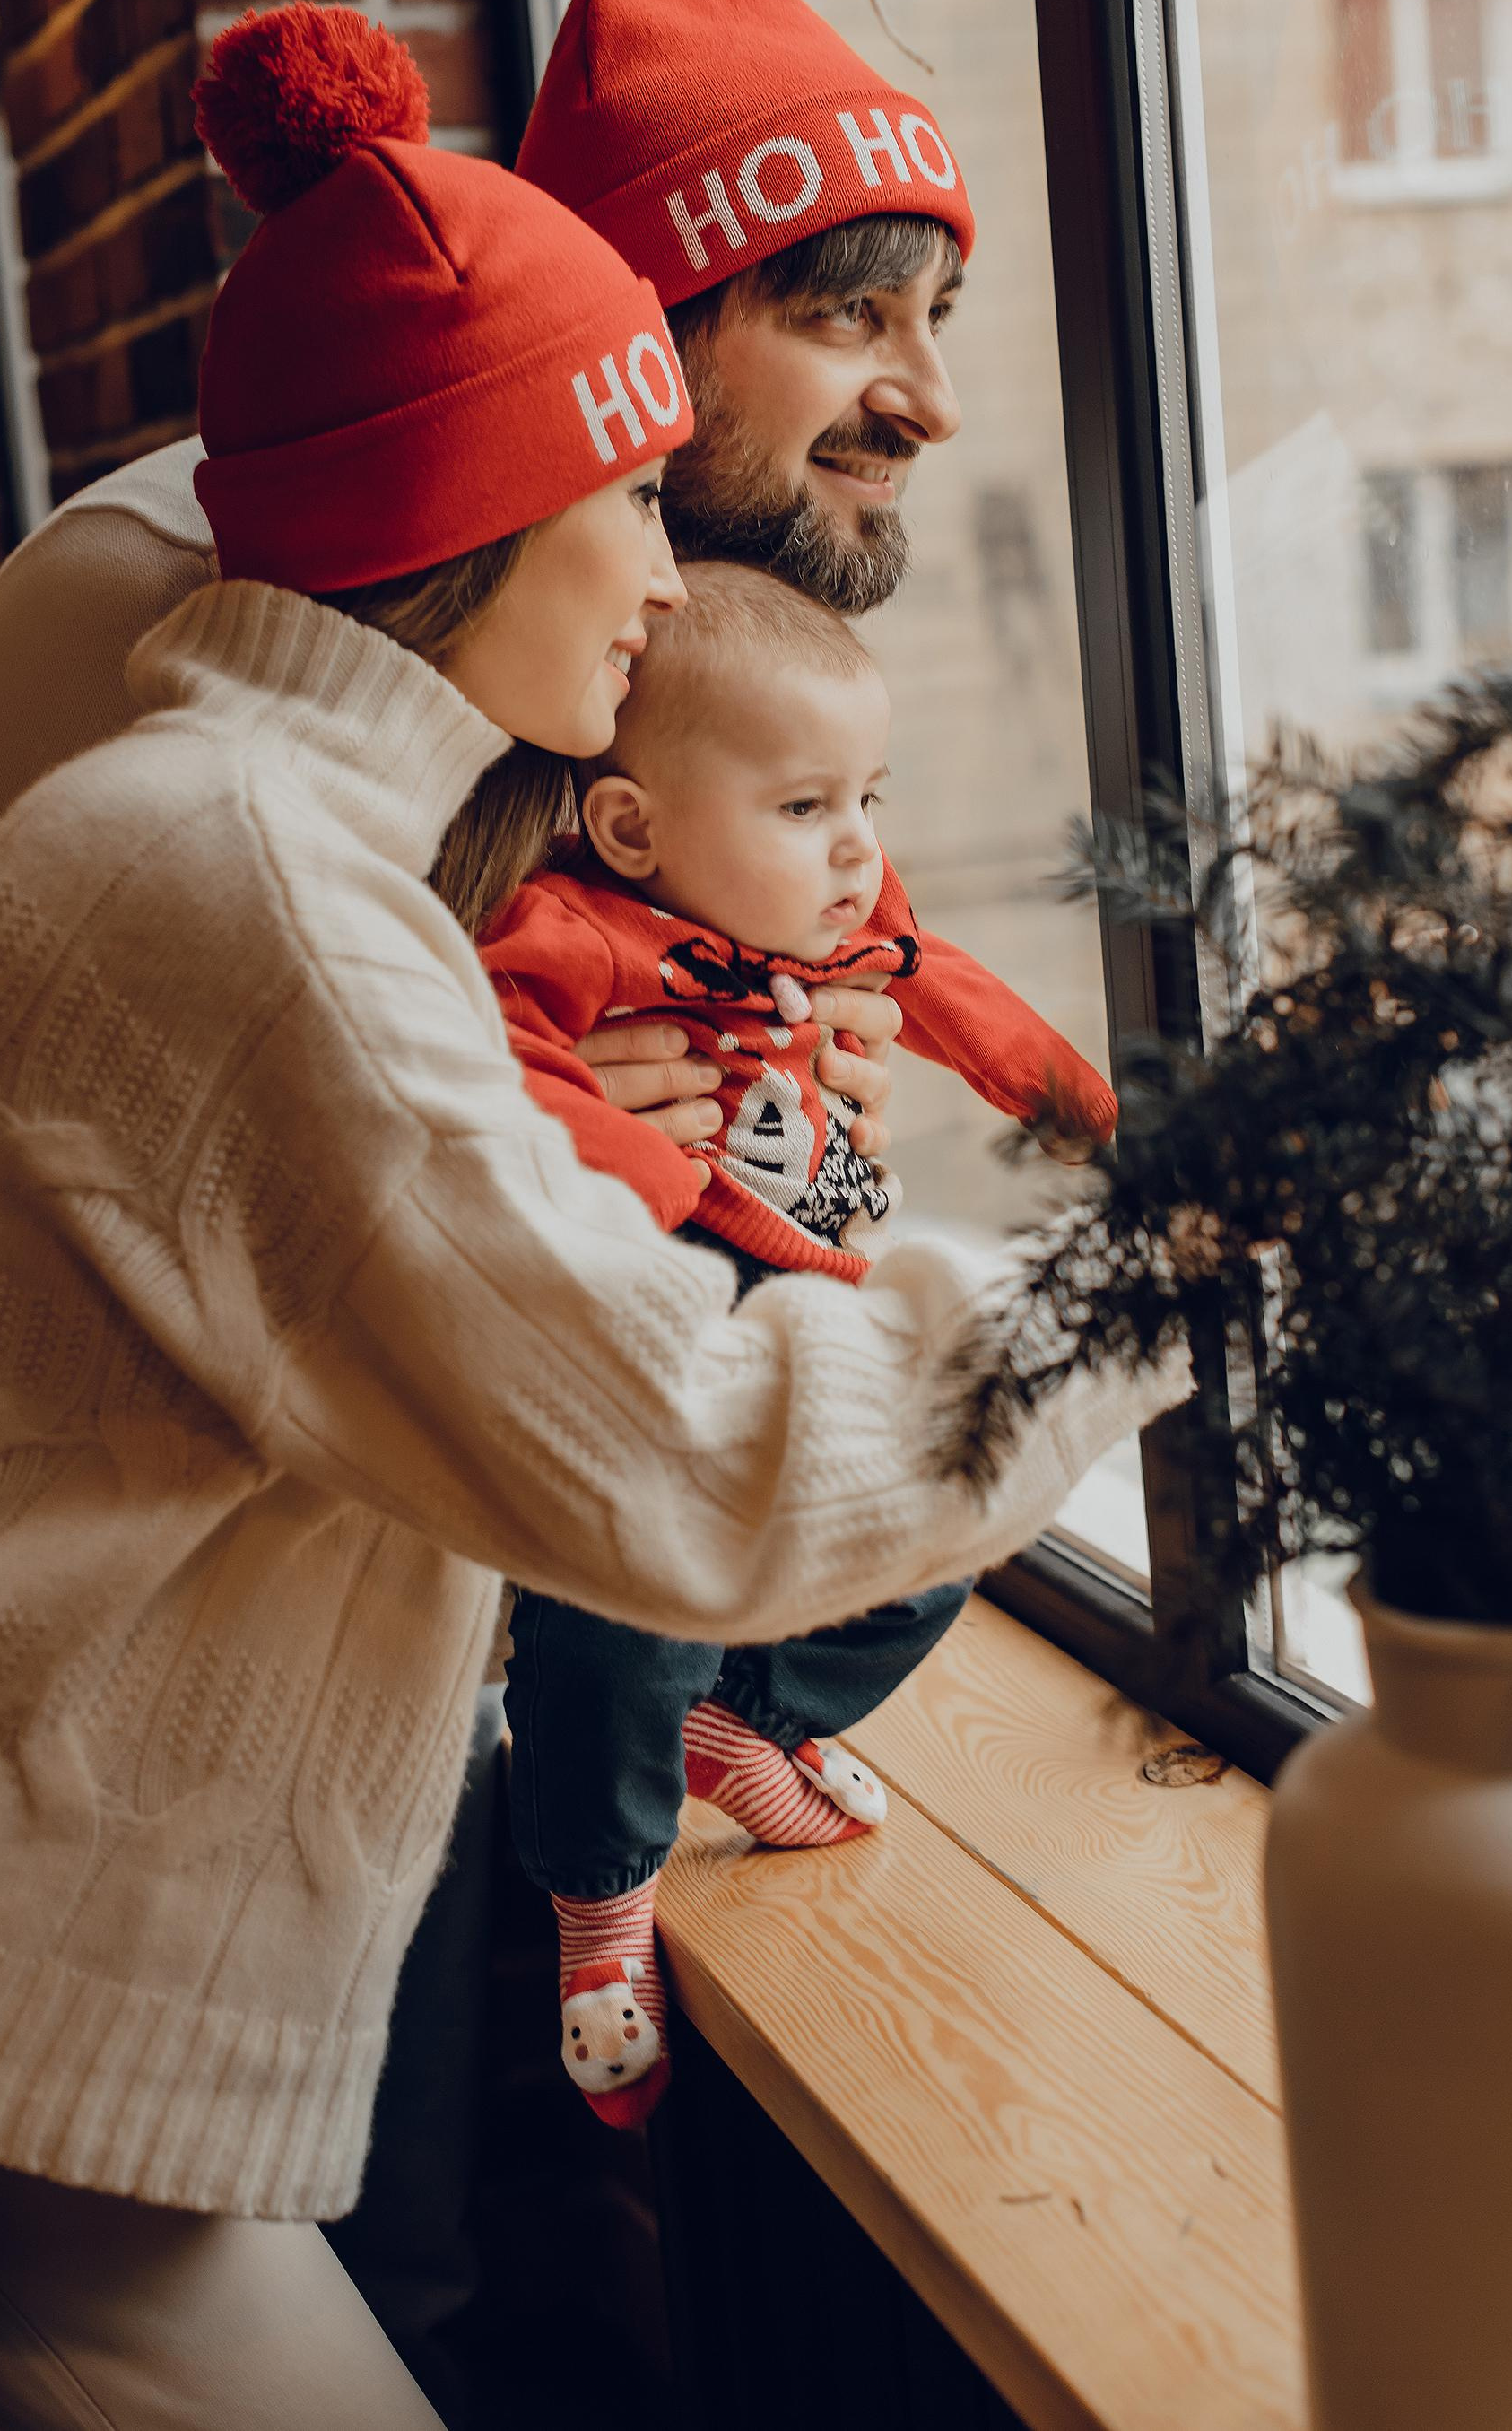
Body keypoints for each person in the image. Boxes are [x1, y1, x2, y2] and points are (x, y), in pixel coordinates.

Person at [0, 11, 1180, 2429]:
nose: (674, 604)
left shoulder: (311, 808)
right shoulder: (240, 839)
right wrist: (1157, 1267)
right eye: (833, 318)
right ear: (551, 459)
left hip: (48, 1936)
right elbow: (661, 1454)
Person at [481, 563, 1119, 2126]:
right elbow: (483, 1058)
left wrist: (1101, 1124)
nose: (856, 846)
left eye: (870, 797)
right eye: (803, 806)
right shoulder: (575, 925)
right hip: (652, 1303)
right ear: (636, 827)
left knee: (946, 1520)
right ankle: (601, 1902)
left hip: (814, 1291)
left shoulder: (849, 914)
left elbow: (950, 992)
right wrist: (656, 1168)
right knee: (617, 1611)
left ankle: (751, 1720)